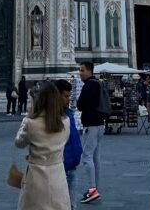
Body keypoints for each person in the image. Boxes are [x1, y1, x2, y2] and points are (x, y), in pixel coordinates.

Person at [14, 80, 71, 210]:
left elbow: (19, 143)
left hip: (36, 176)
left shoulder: (30, 122)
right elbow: (65, 141)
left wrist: (27, 118)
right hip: (58, 176)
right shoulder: (65, 121)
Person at [76, 61, 105, 204]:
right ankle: (96, 189)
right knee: (95, 157)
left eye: (82, 70)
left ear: (89, 71)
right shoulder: (98, 83)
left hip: (91, 125)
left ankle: (92, 189)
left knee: (87, 157)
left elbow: (80, 105)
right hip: (100, 124)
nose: (80, 73)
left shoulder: (89, 85)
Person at [56, 79, 83, 210]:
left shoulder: (68, 114)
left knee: (71, 204)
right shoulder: (52, 117)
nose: (69, 99)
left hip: (72, 165)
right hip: (61, 166)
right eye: (66, 96)